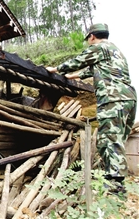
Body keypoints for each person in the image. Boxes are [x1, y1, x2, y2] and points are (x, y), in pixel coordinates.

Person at [46, 23, 137, 191]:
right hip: (129, 98)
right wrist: (75, 76)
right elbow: (94, 70)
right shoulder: (115, 51)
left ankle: (115, 185)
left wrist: (56, 69)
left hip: (113, 98)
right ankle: (117, 179)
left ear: (92, 37)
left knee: (109, 140)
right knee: (118, 140)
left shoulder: (98, 47)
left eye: (88, 39)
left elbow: (78, 61)